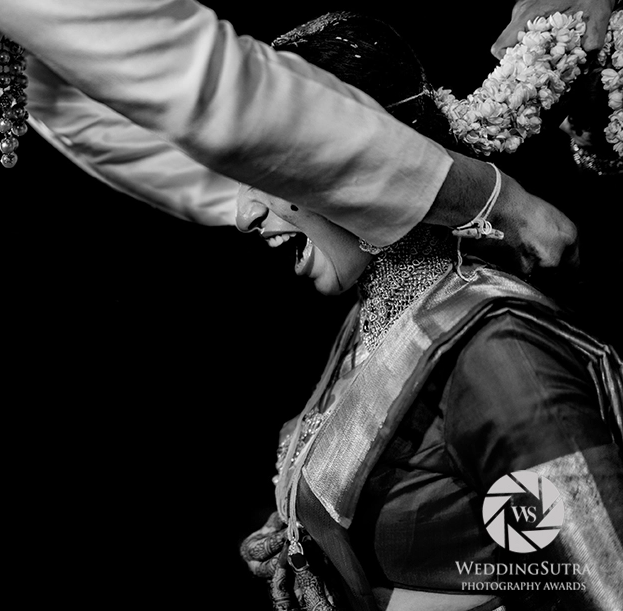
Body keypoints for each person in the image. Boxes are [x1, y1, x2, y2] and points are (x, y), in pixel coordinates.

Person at [0, 0, 587, 607]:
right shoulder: (409, 328)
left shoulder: (491, 339)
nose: (261, 212)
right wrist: (482, 195)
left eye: (280, 186)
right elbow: (189, 80)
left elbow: (577, 561)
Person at [234, 12, 623, 611]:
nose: (243, 214)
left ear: (356, 173)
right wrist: (305, 540)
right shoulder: (375, 319)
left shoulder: (499, 351)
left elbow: (600, 584)